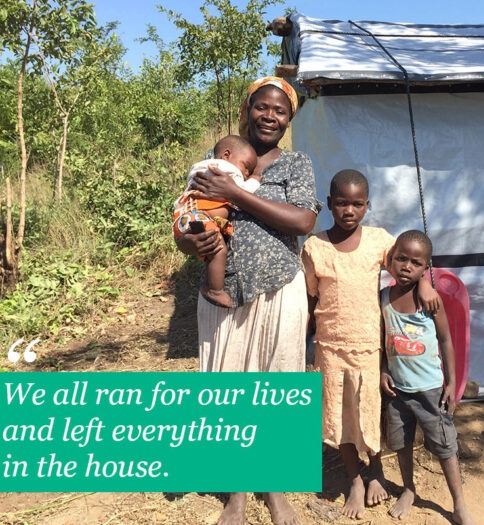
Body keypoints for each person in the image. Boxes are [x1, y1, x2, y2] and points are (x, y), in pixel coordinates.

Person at [175, 76, 322, 525]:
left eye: (280, 110)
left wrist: (236, 194)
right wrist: (190, 244)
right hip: (224, 295)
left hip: (279, 289)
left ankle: (274, 488)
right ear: (248, 108)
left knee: (276, 387)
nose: (270, 116)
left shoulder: (296, 164)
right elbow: (187, 212)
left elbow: (303, 221)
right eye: (262, 107)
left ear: (289, 118)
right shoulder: (218, 159)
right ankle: (236, 493)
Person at [301, 170, 439, 519]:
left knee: (367, 410)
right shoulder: (315, 247)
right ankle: (355, 479)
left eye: (358, 204)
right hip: (330, 347)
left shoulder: (379, 241)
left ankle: (375, 470)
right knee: (340, 414)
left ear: (367, 205)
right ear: (330, 204)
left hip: (368, 345)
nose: (350, 210)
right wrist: (303, 341)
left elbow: (407, 261)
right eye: (342, 203)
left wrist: (424, 282)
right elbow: (308, 299)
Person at [380, 230, 476, 525]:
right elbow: (382, 338)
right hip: (398, 391)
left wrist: (451, 382)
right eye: (401, 259)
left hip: (431, 389)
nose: (407, 266)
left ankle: (458, 503)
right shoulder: (383, 298)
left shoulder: (431, 302)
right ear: (391, 260)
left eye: (416, 263)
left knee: (445, 446)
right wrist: (383, 369)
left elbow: (447, 340)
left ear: (426, 268)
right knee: (401, 443)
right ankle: (409, 488)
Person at [173, 134, 258, 308]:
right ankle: (214, 290)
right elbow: (240, 191)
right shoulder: (224, 169)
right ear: (226, 155)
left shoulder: (202, 168)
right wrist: (254, 182)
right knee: (218, 247)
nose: (247, 173)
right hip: (200, 216)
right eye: (246, 166)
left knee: (210, 248)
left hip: (187, 216)